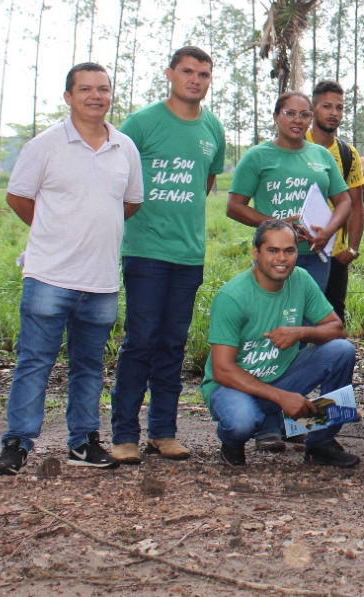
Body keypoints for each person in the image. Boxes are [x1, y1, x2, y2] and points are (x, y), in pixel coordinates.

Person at [0, 63, 143, 475]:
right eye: (85, 89)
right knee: (35, 362)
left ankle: (83, 441)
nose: (95, 96)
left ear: (111, 95)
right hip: (48, 276)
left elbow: (130, 204)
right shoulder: (44, 145)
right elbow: (19, 198)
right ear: (68, 97)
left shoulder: (124, 147)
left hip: (101, 280)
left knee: (89, 366)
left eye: (103, 89)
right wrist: (55, 230)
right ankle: (17, 443)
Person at [110, 45, 226, 465]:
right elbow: (117, 176)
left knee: (173, 343)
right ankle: (124, 434)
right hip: (144, 251)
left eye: (204, 74)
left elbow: (206, 182)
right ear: (170, 74)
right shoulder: (142, 123)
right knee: (140, 340)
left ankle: (164, 431)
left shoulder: (212, 128)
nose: (195, 80)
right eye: (188, 72)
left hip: (188, 254)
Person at [201, 219, 358, 469]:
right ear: (256, 252)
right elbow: (222, 370)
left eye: (289, 250)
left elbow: (337, 328)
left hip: (282, 374)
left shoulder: (301, 279)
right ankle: (232, 444)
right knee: (242, 421)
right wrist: (282, 398)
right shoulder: (232, 297)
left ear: (297, 252)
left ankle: (320, 442)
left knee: (342, 351)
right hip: (233, 385)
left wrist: (298, 332)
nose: (281, 259)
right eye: (272, 250)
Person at [228, 90, 352, 290]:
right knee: (272, 315)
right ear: (276, 116)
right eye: (290, 113)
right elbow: (234, 207)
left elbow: (345, 201)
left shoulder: (322, 155)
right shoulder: (257, 156)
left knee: (309, 317)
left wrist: (328, 232)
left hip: (315, 256)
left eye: (305, 115)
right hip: (273, 255)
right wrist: (277, 224)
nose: (298, 120)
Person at [307, 80, 364, 320]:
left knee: (332, 321)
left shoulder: (347, 154)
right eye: (327, 106)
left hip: (335, 256)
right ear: (313, 108)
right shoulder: (297, 144)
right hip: (297, 251)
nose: (334, 113)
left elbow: (356, 204)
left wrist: (352, 248)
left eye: (339, 108)